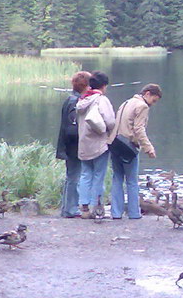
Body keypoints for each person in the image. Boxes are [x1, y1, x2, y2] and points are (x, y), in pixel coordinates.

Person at [109, 83, 162, 220]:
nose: (153, 104)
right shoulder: (142, 106)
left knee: (117, 178)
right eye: (154, 100)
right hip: (128, 146)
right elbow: (139, 129)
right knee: (132, 181)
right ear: (147, 94)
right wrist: (148, 148)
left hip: (115, 143)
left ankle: (116, 212)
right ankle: (133, 213)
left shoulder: (126, 102)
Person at [74, 71, 116, 219]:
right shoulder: (101, 100)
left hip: (84, 144)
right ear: (104, 86)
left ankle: (83, 206)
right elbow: (110, 121)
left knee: (85, 174)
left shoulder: (81, 101)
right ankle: (95, 207)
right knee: (99, 176)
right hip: (99, 144)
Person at [55, 70, 91, 218]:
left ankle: (66, 208)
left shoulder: (70, 99)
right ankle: (71, 209)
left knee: (71, 177)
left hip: (68, 145)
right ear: (85, 85)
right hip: (73, 146)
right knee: (74, 177)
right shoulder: (75, 102)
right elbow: (72, 128)